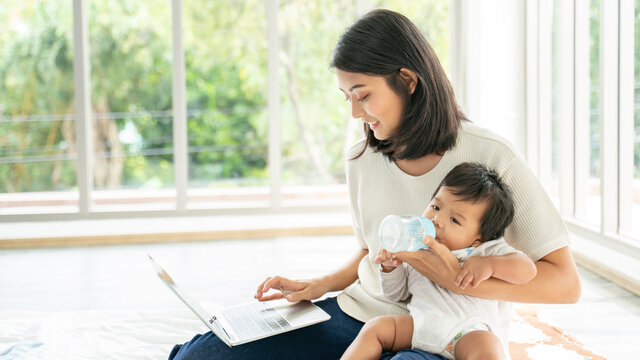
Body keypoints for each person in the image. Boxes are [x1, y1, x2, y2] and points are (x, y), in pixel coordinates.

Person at [168, 9, 581, 360]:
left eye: (362, 95)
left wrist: (456, 277)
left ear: (408, 80)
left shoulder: (491, 156)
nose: (354, 113)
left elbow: (565, 285)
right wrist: (319, 285)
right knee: (200, 355)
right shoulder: (361, 159)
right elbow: (370, 251)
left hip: (446, 333)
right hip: (361, 318)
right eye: (346, 96)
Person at [341, 162, 537, 360]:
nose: (437, 219)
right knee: (375, 327)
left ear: (479, 238)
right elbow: (396, 294)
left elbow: (527, 271)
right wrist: (390, 269)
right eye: (435, 206)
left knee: (488, 345)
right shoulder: (416, 247)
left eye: (454, 220)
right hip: (421, 326)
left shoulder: (484, 251)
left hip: (466, 332)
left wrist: (491, 265)